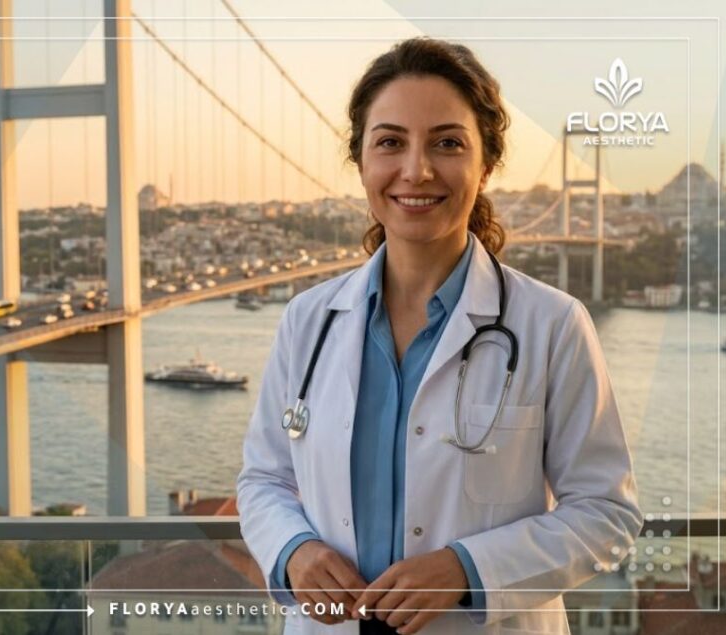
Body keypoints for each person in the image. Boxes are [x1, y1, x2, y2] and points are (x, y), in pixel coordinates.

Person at [236, 37, 642, 635]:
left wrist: (468, 570)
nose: (416, 170)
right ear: (362, 162)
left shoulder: (552, 324)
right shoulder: (308, 320)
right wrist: (294, 550)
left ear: (486, 164)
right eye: (390, 143)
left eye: (447, 143)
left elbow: (607, 513)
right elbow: (264, 479)